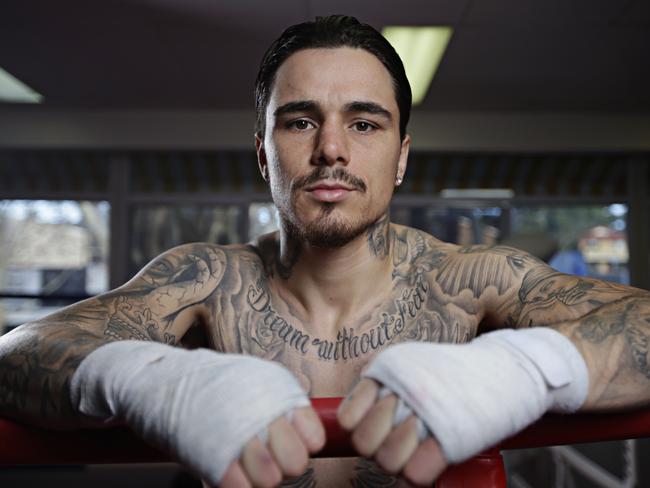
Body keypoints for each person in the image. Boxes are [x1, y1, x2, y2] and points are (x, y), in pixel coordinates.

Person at [1, 15, 650, 488]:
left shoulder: (474, 280)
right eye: (300, 121)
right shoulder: (204, 280)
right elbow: (17, 354)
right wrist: (151, 380)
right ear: (263, 151)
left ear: (400, 158)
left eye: (364, 123)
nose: (332, 149)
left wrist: (524, 367)